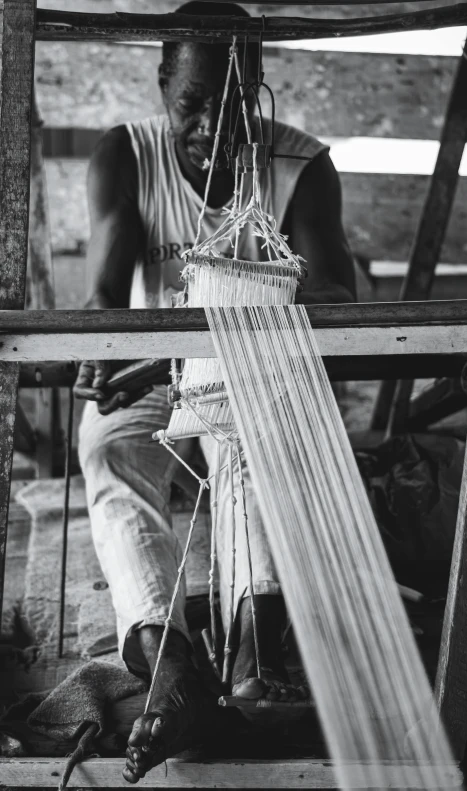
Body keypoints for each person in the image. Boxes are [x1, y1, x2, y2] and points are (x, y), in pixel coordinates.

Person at [74, 1, 357, 782]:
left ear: (258, 87)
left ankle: (253, 651)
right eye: (189, 104)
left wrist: (212, 331)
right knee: (108, 447)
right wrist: (106, 358)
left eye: (229, 103)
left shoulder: (300, 167)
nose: (208, 126)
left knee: (254, 448)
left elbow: (336, 297)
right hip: (151, 374)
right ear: (163, 85)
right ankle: (166, 661)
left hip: (251, 374)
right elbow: (102, 300)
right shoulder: (125, 157)